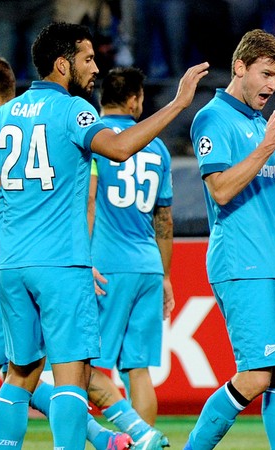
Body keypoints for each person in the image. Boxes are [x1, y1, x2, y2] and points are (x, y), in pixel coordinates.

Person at [0, 21, 208, 450]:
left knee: (19, 373)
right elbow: (118, 147)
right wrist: (177, 104)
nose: (95, 68)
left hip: (11, 265)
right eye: (88, 59)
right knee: (72, 375)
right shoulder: (76, 111)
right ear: (62, 64)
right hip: (62, 263)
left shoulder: (0, 117)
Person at [0, 51, 133, 450]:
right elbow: (81, 198)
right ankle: (105, 436)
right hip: (50, 262)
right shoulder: (55, 130)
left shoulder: (4, 131)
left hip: (5, 267)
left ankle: (110, 434)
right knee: (43, 368)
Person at [185, 29, 275, 450]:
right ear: (240, 67)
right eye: (266, 74)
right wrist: (265, 146)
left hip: (273, 261)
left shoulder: (260, 123)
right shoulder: (212, 119)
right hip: (241, 261)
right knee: (256, 375)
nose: (273, 86)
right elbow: (220, 189)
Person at [86, 66, 174, 449]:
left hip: (105, 265)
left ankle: (117, 437)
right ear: (136, 99)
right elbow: (165, 220)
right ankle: (145, 442)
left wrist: (80, 258)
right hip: (148, 266)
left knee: (84, 365)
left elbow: (88, 200)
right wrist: (166, 275)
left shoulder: (96, 139)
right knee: (137, 369)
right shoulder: (157, 147)